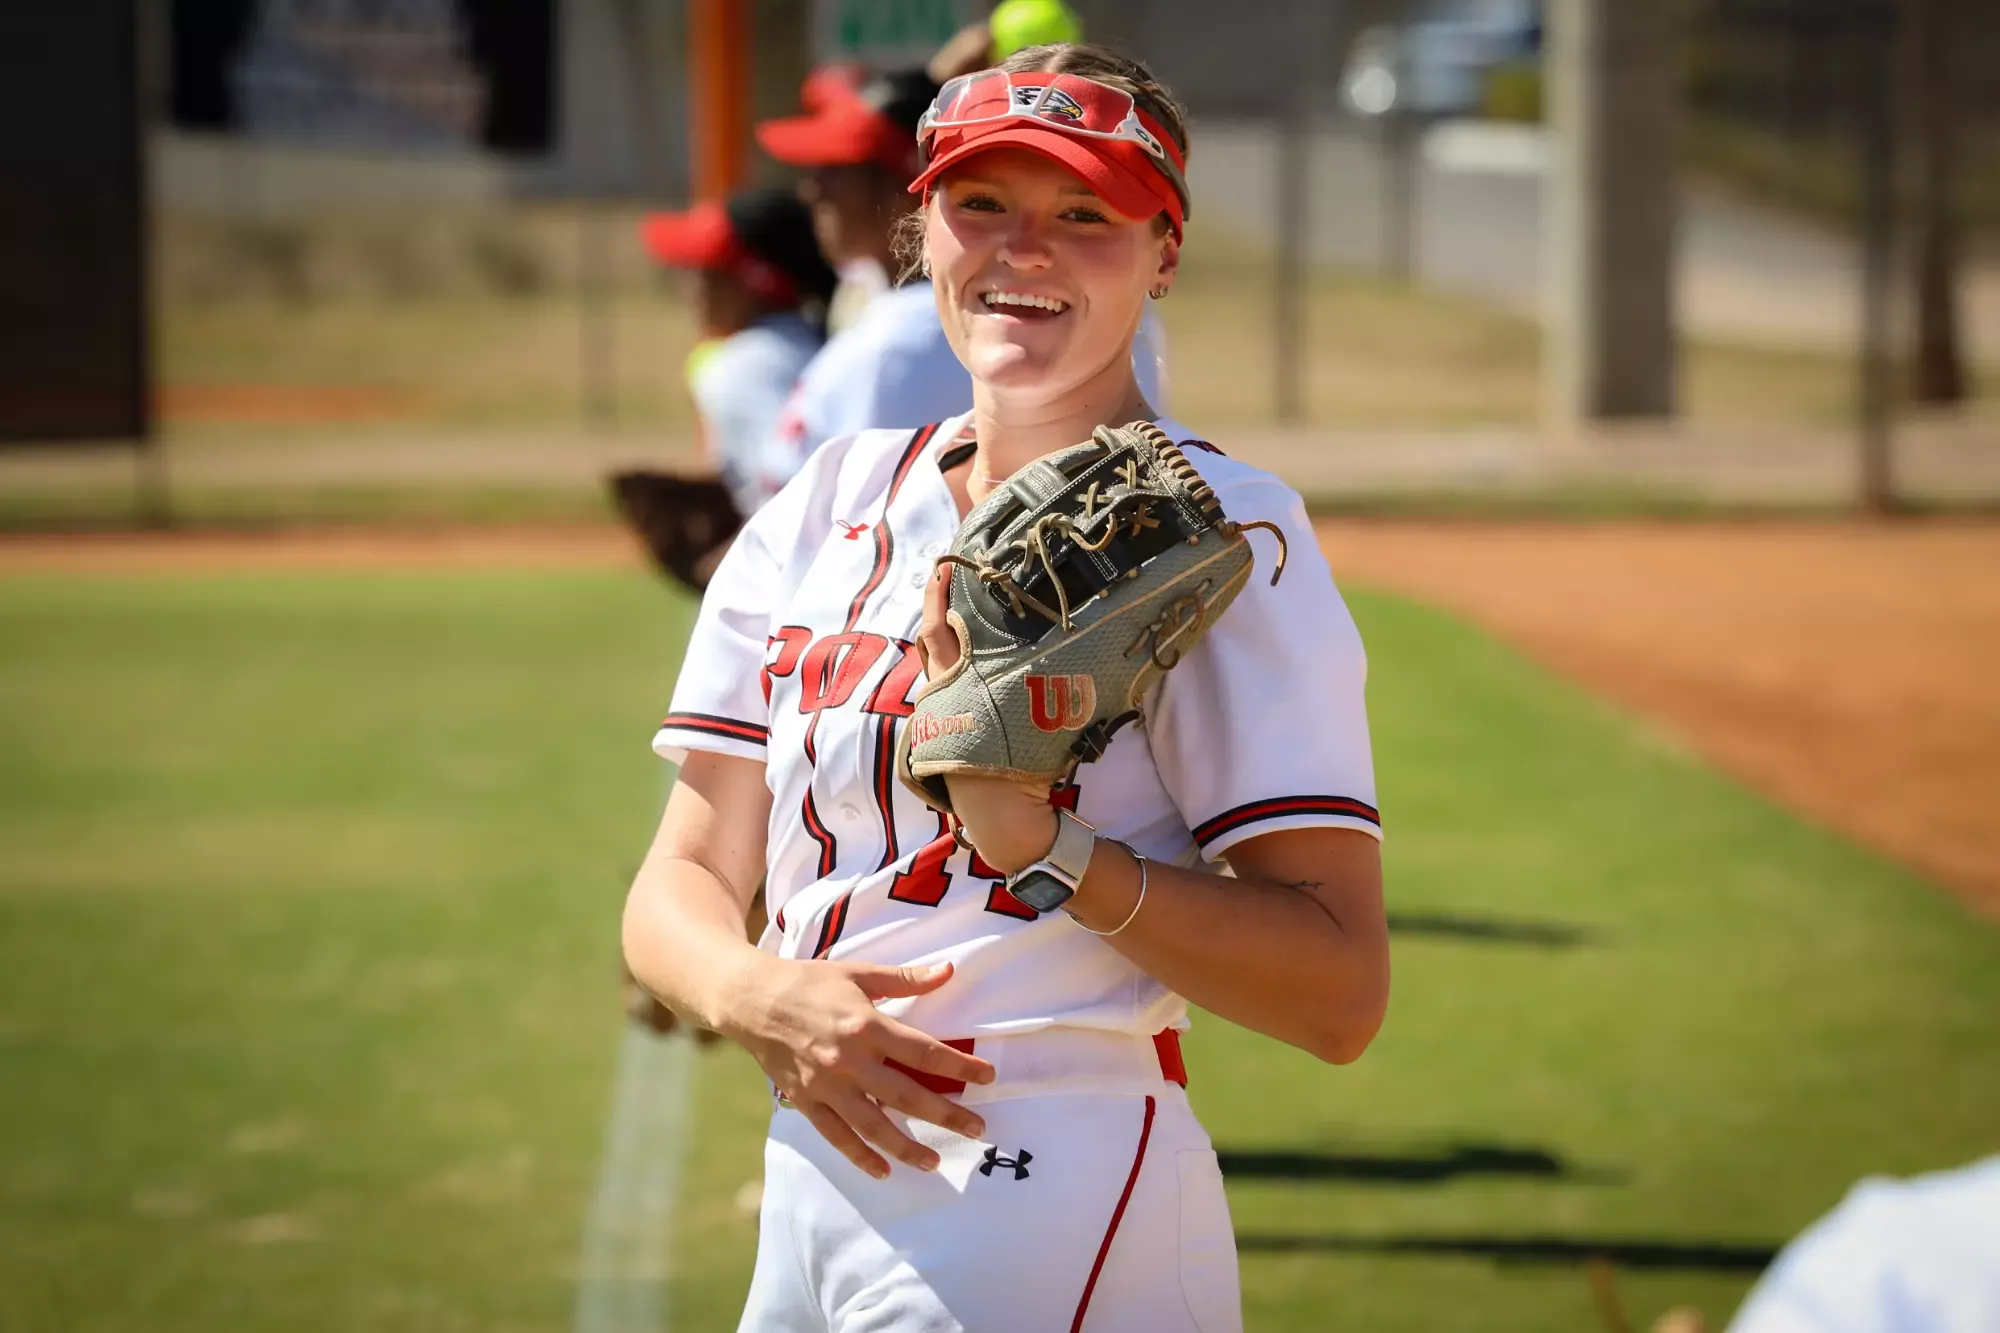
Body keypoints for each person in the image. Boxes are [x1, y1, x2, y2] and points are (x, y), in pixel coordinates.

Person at [623, 42, 1388, 1332]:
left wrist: (1043, 844)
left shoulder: (1224, 539)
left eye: (1084, 214)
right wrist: (754, 993)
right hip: (809, 1178)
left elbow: (1337, 991)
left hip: (1047, 1182)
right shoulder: (826, 502)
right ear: (920, 227)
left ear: (1164, 252)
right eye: (983, 204)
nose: (1024, 249)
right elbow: (681, 879)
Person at [746, 57, 1170, 506]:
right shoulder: (904, 320)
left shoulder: (903, 343)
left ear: (905, 187)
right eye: (983, 204)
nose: (813, 191)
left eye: (838, 169)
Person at [634, 187, 839, 525]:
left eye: (708, 270)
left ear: (756, 281)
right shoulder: (819, 338)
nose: (691, 287)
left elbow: (791, 496)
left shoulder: (742, 367)